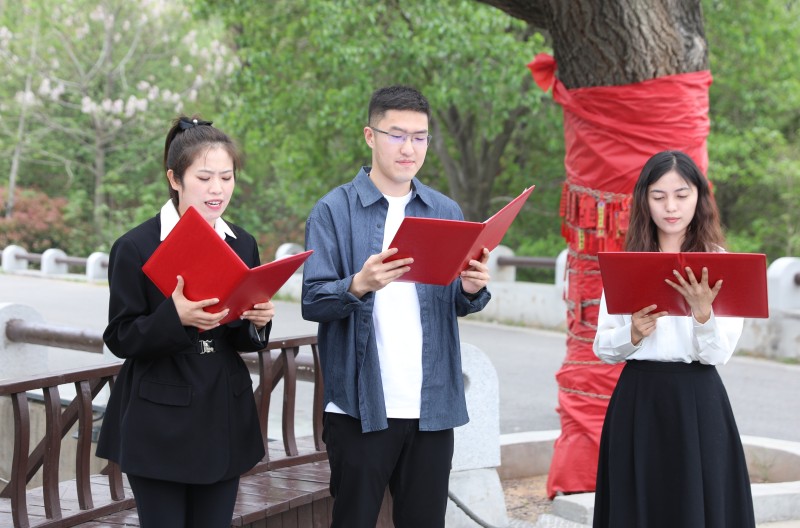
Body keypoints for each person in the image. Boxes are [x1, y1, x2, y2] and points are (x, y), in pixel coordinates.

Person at [301, 85, 492, 528]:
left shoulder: (444, 210)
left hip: (431, 407)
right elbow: (313, 300)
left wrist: (469, 288)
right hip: (359, 406)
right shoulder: (333, 210)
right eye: (397, 135)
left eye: (420, 137)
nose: (409, 148)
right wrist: (359, 284)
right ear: (370, 136)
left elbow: (457, 303)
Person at [96, 116, 274, 528]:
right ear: (174, 179)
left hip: (222, 412)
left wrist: (257, 321)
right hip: (160, 418)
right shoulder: (136, 246)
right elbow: (120, 336)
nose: (217, 189)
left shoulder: (242, 242)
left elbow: (240, 336)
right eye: (205, 177)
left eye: (226, 177)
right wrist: (173, 318)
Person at [592, 150, 756, 527]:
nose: (671, 207)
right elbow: (603, 347)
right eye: (658, 196)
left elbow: (719, 353)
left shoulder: (720, 262)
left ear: (699, 197)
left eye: (682, 195)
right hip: (639, 399)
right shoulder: (629, 261)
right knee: (638, 504)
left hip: (698, 400)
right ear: (644, 200)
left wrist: (703, 315)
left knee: (699, 504)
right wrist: (633, 333)